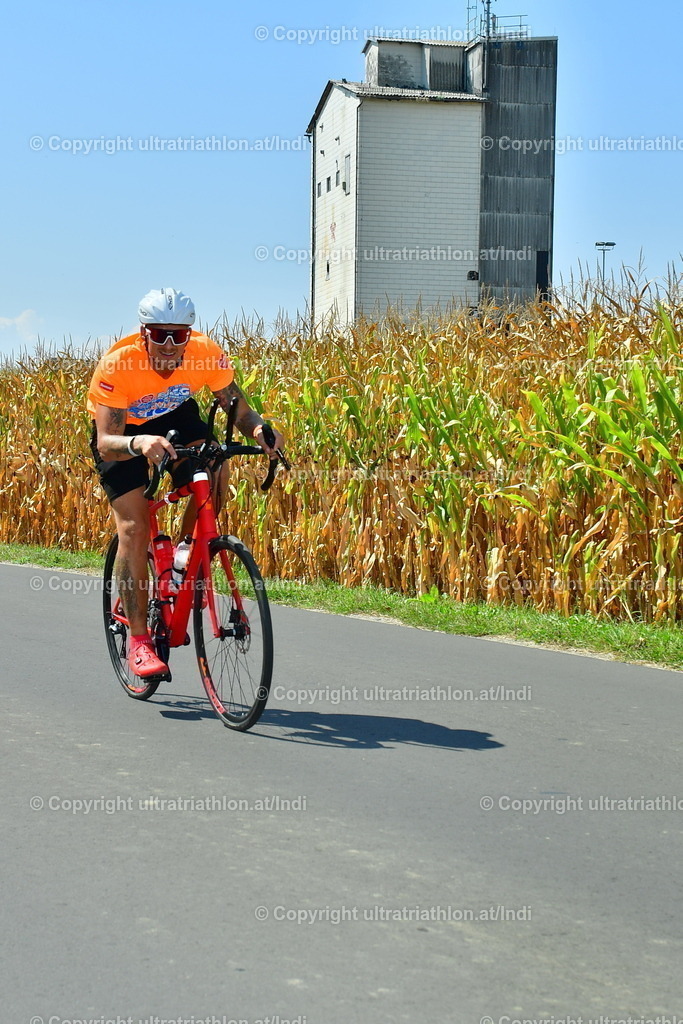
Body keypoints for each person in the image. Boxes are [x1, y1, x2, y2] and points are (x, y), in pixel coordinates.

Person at [87, 287, 285, 679]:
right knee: (134, 527)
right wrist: (139, 442)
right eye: (159, 334)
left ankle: (185, 552)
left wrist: (259, 428)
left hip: (176, 416)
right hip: (125, 434)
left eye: (178, 334)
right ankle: (141, 643)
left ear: (189, 334)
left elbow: (234, 403)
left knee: (213, 466)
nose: (169, 344)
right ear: (144, 333)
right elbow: (107, 444)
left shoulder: (204, 352)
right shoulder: (118, 365)